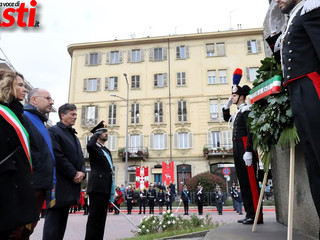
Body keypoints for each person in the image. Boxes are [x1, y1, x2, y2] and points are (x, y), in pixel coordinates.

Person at [266, 0, 320, 222]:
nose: (277, 1)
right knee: (313, 164)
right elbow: (278, 48)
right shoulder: (293, 19)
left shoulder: (311, 10)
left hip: (311, 87)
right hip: (297, 92)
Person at [0, 70, 38, 239]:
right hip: (6, 186)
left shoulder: (17, 113)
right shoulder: (4, 113)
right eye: (20, 85)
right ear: (7, 86)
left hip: (19, 184)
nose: (25, 90)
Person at [222, 68, 263, 225]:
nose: (231, 98)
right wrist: (226, 107)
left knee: (250, 181)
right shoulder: (238, 112)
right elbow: (226, 118)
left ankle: (256, 215)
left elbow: (251, 131)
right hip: (237, 148)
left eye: (233, 96)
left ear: (241, 97)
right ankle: (249, 213)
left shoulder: (247, 111)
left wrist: (248, 151)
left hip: (245, 147)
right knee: (243, 182)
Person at [43, 103, 86, 240]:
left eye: (75, 114)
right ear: (63, 115)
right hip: (59, 185)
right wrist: (74, 173)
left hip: (69, 186)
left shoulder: (72, 134)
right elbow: (57, 156)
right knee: (53, 225)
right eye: (72, 114)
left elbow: (80, 157)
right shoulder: (54, 131)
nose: (75, 117)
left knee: (61, 225)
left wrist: (83, 172)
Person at [21, 87, 55, 239]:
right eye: (47, 98)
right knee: (20, 229)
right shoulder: (24, 117)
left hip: (41, 184)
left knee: (28, 229)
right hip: (31, 184)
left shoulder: (40, 121)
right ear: (34, 99)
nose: (51, 102)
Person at [84, 121, 115, 240]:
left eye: (106, 131)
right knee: (94, 219)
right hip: (97, 188)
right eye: (103, 131)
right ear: (97, 133)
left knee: (102, 220)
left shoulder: (106, 150)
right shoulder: (94, 148)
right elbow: (90, 145)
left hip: (105, 188)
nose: (106, 133)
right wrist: (96, 133)